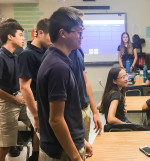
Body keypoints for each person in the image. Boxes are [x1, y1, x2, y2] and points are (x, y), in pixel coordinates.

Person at [36, 7, 92, 160]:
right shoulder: (58, 67)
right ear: (62, 33)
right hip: (62, 152)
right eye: (78, 32)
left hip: (65, 145)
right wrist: (75, 155)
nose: (81, 36)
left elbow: (67, 112)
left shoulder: (56, 59)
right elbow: (56, 120)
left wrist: (81, 140)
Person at [66, 7, 102, 142]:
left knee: (84, 151)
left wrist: (94, 112)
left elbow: (85, 82)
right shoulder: (58, 56)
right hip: (71, 114)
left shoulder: (78, 50)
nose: (82, 29)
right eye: (79, 26)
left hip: (84, 109)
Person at [18, 18, 52, 161]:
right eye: (51, 35)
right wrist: (36, 116)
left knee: (41, 140)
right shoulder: (27, 54)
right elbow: (25, 87)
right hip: (37, 104)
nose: (53, 39)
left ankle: (35, 155)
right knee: (47, 143)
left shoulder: (46, 51)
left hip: (47, 102)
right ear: (40, 33)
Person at [0, 20, 31, 161]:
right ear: (10, 37)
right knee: (6, 146)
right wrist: (14, 99)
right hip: (7, 102)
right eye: (20, 35)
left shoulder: (15, 55)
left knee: (39, 124)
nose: (23, 38)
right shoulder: (1, 57)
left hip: (18, 98)